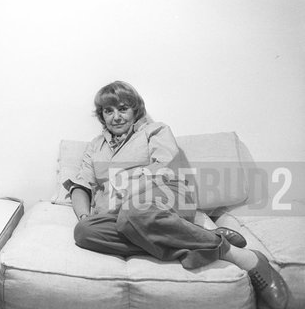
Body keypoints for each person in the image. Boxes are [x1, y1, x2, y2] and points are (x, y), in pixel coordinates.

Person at [64, 81, 291, 309]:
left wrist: (123, 193)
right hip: (122, 213)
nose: (116, 116)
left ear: (135, 109)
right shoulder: (95, 146)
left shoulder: (155, 130)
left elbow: (162, 167)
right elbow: (81, 185)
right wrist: (84, 216)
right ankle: (194, 236)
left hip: (163, 194)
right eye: (108, 110)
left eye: (122, 108)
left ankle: (243, 257)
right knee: (85, 232)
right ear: (102, 116)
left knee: (134, 212)